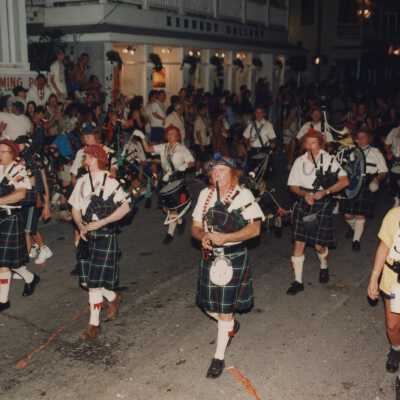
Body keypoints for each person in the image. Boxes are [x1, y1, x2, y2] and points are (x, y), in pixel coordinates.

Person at [191, 154, 264, 378]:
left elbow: (255, 229)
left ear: (233, 174)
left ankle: (218, 357)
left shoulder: (243, 195)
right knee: (207, 304)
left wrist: (227, 237)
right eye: (213, 170)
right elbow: (194, 226)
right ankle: (231, 324)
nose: (216, 174)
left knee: (223, 310)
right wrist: (202, 235)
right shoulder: (205, 194)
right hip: (210, 256)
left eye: (222, 170)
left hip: (233, 256)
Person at [69, 144, 132, 340]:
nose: (83, 159)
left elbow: (126, 207)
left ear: (95, 158)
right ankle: (113, 297)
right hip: (87, 234)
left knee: (94, 284)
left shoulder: (110, 181)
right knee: (89, 280)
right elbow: (75, 207)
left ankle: (94, 325)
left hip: (104, 233)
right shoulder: (81, 181)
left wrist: (102, 222)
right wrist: (80, 226)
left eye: (86, 156)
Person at [287, 129, 349, 295]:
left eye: (314, 142)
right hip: (303, 202)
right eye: (308, 142)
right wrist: (304, 194)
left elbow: (345, 180)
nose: (310, 146)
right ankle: (298, 281)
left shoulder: (328, 160)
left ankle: (323, 265)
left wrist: (326, 192)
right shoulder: (299, 161)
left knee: (318, 245)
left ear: (320, 143)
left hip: (321, 202)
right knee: (299, 242)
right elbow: (292, 186)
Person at [0, 140, 40, 312]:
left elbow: (21, 194)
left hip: (9, 219)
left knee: (3, 262)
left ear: (13, 153)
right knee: (10, 261)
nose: (0, 154)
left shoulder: (18, 170)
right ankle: (31, 278)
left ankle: (3, 301)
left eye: (3, 151)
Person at [139, 125, 194, 244]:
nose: (171, 136)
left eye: (173, 134)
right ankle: (180, 221)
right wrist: (142, 136)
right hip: (165, 178)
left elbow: (192, 162)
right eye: (169, 134)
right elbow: (148, 149)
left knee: (172, 206)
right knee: (165, 207)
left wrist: (184, 166)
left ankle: (170, 233)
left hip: (177, 179)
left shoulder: (182, 149)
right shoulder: (163, 147)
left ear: (178, 136)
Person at [367, 207, 400, 397]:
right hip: (394, 279)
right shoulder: (394, 215)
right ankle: (396, 348)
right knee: (393, 327)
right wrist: (374, 277)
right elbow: (384, 247)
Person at [340, 129, 388, 251]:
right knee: (347, 215)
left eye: (363, 137)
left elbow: (383, 170)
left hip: (367, 183)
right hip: (352, 183)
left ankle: (356, 240)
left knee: (360, 214)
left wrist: (377, 180)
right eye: (358, 137)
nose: (360, 140)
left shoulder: (375, 152)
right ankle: (353, 227)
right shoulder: (351, 151)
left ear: (369, 139)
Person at [385, 121, 400, 207]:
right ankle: (396, 198)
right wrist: (389, 152)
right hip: (395, 158)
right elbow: (387, 144)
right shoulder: (394, 131)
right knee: (392, 179)